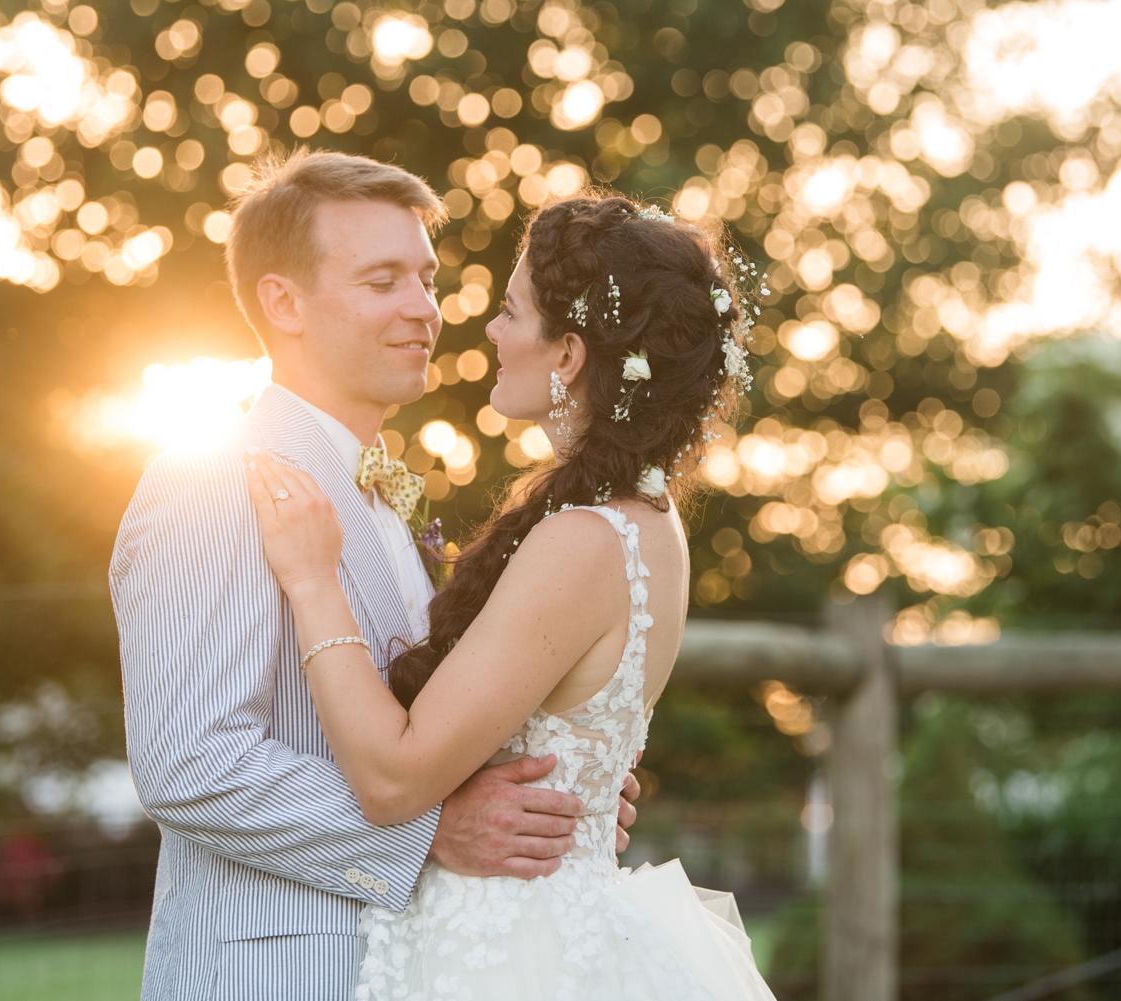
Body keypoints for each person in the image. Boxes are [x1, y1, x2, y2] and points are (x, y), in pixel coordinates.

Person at [110, 150, 640, 1001]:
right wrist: (434, 830)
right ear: (283, 301)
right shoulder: (212, 480)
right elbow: (190, 759)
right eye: (382, 281)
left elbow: (407, 723)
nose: (425, 310)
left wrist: (552, 790)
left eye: (426, 280)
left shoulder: (386, 498)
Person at [244, 193, 776, 1000]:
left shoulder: (585, 540)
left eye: (509, 311)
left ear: (566, 354)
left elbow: (392, 777)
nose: (487, 330)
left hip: (509, 955)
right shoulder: (649, 520)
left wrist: (315, 580)